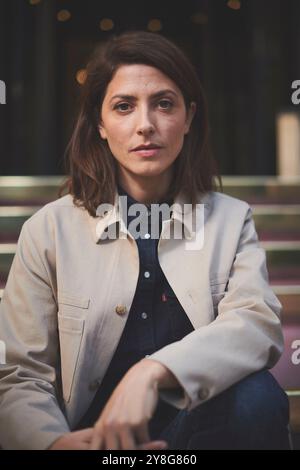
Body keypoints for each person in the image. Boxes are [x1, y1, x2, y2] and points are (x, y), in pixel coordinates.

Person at [0, 30, 290, 450]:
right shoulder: (49, 230)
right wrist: (53, 444)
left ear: (188, 118)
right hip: (92, 442)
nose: (145, 126)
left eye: (164, 104)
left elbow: (256, 325)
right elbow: (19, 374)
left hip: (196, 438)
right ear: (100, 124)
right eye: (123, 107)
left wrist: (153, 371)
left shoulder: (230, 219)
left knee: (256, 397)